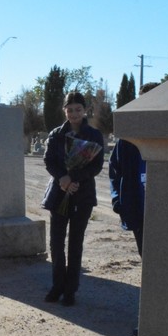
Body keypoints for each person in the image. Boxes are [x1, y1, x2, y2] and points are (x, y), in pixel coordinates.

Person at [41, 90, 105, 306]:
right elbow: (49, 160)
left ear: (85, 110)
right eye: (70, 109)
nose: (74, 113)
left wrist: (74, 177)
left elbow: (96, 165)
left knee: (75, 243)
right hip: (59, 193)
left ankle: (70, 290)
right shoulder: (56, 134)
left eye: (78, 109)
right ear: (64, 111)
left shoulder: (94, 135)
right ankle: (57, 285)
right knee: (56, 243)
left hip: (82, 194)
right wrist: (63, 178)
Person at [109, 82, 156, 256]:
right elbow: (115, 170)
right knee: (146, 255)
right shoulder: (127, 139)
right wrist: (117, 200)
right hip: (139, 208)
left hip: (165, 210)